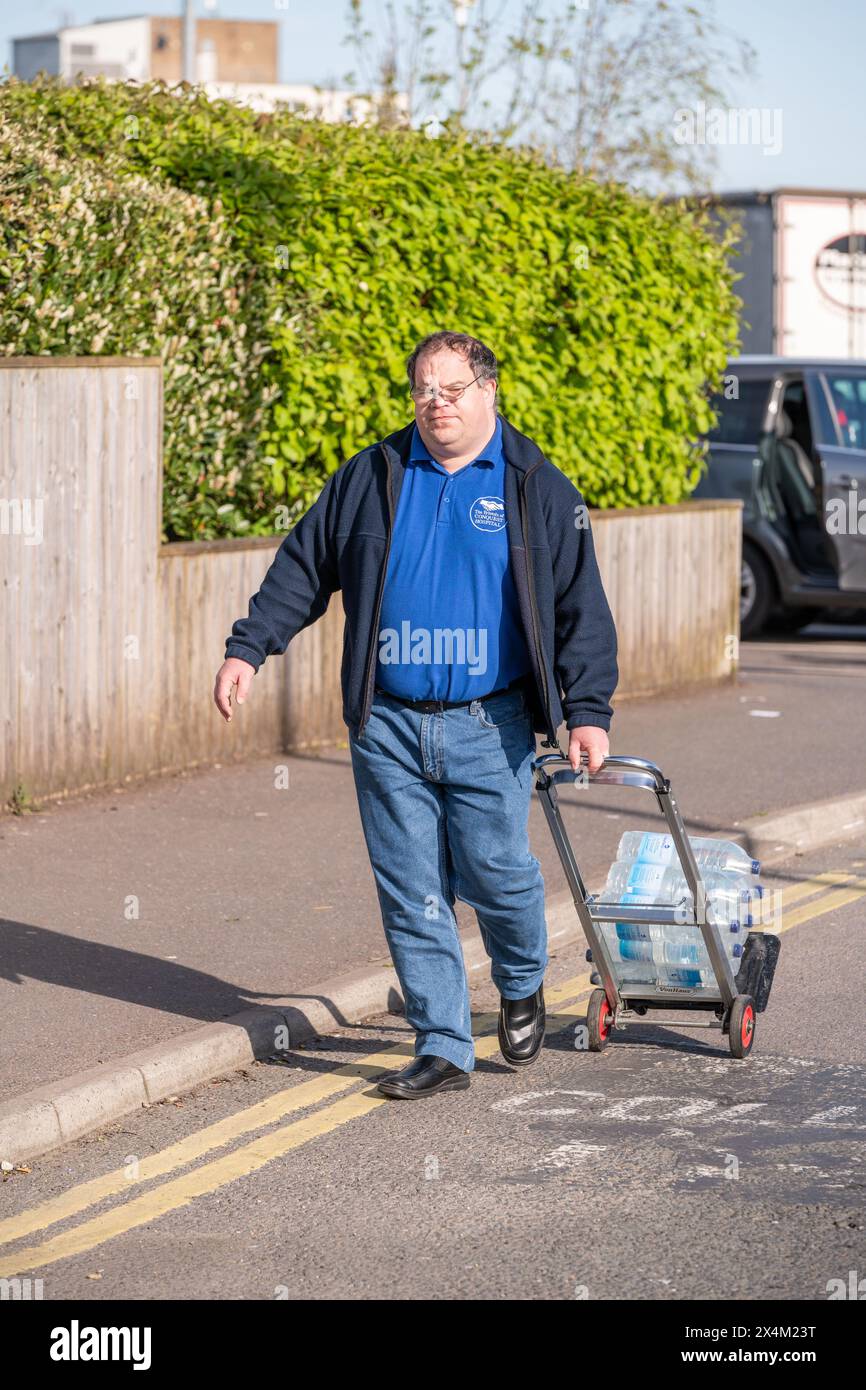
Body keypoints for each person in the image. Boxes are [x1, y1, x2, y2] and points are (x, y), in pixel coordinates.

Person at [214, 330, 618, 1099]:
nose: (436, 405)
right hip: (388, 720)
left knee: (496, 872)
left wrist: (587, 711)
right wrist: (249, 648)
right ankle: (442, 1042)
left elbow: (580, 609)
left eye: (452, 391)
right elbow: (303, 566)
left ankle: (523, 980)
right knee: (411, 886)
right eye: (423, 392)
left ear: (488, 392)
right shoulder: (374, 474)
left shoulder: (538, 486)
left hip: (488, 723)